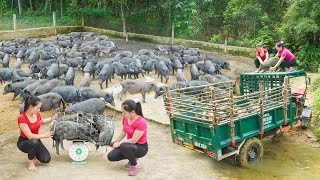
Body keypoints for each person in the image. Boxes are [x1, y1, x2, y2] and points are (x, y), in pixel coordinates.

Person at [107, 99, 148, 176]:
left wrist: (119, 144)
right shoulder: (126, 118)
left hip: (141, 147)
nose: (122, 114)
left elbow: (133, 140)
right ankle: (132, 157)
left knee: (124, 145)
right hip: (129, 145)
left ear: (132, 112)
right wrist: (115, 141)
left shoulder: (141, 122)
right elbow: (124, 131)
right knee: (111, 156)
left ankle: (134, 166)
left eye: (124, 113)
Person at [17, 96, 55, 171]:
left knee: (46, 159)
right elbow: (30, 136)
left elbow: (43, 121)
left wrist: (53, 117)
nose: (39, 110)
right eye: (38, 108)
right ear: (31, 107)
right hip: (24, 142)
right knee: (33, 142)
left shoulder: (37, 114)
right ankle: (30, 163)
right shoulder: (22, 118)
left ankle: (33, 153)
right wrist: (45, 135)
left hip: (35, 140)